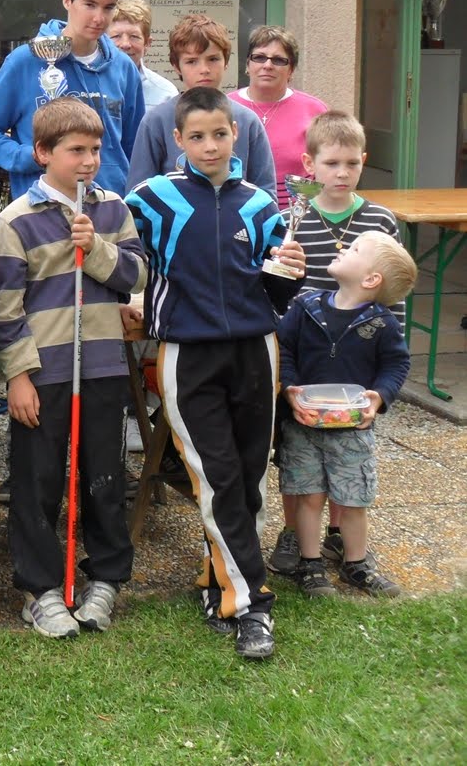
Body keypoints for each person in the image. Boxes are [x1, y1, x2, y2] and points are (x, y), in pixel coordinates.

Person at [125, 86, 305, 660]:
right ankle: (250, 605)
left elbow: (276, 283)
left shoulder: (259, 202)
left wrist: (291, 269)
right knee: (218, 476)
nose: (210, 146)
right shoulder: (152, 198)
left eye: (220, 135)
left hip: (257, 351)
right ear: (177, 140)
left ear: (237, 135)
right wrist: (131, 296)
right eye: (197, 136)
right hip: (188, 353)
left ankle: (216, 579)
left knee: (249, 480)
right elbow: (120, 252)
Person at [0, 99, 146, 638]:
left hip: (101, 365)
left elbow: (135, 275)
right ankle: (41, 589)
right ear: (42, 153)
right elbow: (6, 308)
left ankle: (105, 578)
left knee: (104, 476)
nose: (88, 161)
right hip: (44, 373)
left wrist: (95, 248)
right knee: (38, 482)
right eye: (75, 150)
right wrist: (17, 376)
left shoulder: (113, 210)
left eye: (95, 150)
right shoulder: (16, 220)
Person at [266, 110, 405, 579]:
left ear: (363, 161)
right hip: (304, 354)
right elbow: (278, 292)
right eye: (331, 163)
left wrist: (382, 379)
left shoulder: (380, 219)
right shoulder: (291, 218)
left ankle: (341, 539)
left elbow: (393, 297)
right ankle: (294, 533)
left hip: (356, 359)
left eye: (351, 163)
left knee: (349, 458)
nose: (341, 173)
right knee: (296, 456)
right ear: (309, 164)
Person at [277, 231, 414, 598]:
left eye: (354, 249)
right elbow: (284, 350)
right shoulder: (306, 308)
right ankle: (310, 565)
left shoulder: (382, 323)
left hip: (352, 429)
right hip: (303, 423)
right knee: (307, 495)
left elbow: (396, 365)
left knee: (353, 499)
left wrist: (378, 398)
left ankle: (355, 564)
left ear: (371, 280)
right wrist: (289, 388)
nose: (342, 247)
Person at [0, 0, 145, 199]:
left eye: (108, 8)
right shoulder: (26, 61)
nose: (99, 17)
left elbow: (134, 146)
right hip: (41, 209)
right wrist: (30, 157)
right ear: (67, 0)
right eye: (89, 4)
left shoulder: (124, 68)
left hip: (108, 206)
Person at [125, 15, 277, 199]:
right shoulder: (156, 121)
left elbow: (265, 192)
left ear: (226, 61)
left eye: (213, 59)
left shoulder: (247, 120)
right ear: (176, 66)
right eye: (192, 61)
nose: (204, 69)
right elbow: (138, 195)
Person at [230, 26, 329, 209]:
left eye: (278, 60)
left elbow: (329, 166)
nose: (267, 65)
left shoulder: (314, 110)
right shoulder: (225, 107)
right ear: (247, 64)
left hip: (297, 218)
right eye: (259, 57)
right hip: (237, 216)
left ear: (291, 69)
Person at [109, 0, 177, 109]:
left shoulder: (165, 95)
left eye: (134, 37)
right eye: (116, 36)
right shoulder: (88, 86)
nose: (125, 44)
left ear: (147, 43)